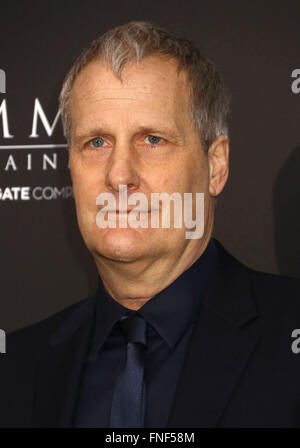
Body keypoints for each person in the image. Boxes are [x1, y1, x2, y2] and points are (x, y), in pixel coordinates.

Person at [1, 21, 300, 428]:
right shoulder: (16, 367)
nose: (119, 175)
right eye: (97, 142)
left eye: (152, 140)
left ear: (216, 166)